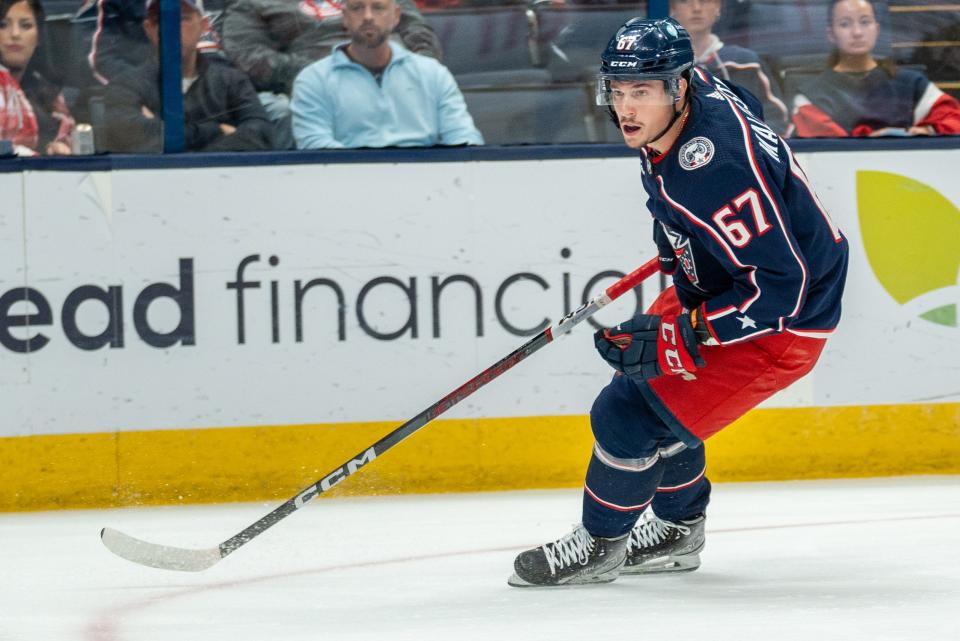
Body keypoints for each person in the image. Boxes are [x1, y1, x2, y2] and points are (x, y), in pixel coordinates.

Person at [508, 17, 848, 587]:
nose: (626, 109)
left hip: (783, 322)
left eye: (641, 92)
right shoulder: (703, 96)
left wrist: (685, 332)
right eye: (617, 92)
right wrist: (680, 246)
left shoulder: (715, 168)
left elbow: (781, 288)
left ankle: (600, 546)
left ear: (678, 86)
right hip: (722, 285)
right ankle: (676, 530)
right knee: (644, 393)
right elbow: (745, 126)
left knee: (625, 415)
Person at [290, 0, 481, 149]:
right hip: (348, 190)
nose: (368, 17)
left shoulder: (433, 75)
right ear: (345, 18)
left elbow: (465, 140)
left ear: (396, 16)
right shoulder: (313, 80)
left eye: (378, 7)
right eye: (357, 8)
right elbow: (317, 152)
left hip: (427, 188)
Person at [102, 0, 274, 152]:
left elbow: (262, 135)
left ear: (204, 25)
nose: (170, 27)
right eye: (158, 20)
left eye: (183, 18)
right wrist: (217, 131)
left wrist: (188, 154)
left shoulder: (231, 81)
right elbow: (130, 139)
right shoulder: (126, 86)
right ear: (148, 29)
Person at [791, 0, 960, 137]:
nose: (857, 32)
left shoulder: (913, 85)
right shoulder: (811, 94)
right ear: (831, 34)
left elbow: (954, 120)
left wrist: (927, 131)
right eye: (845, 24)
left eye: (865, 22)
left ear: (877, 29)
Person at [670, 0, 789, 135]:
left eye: (705, 1)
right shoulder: (662, 66)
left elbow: (777, 120)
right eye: (685, 1)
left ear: (718, 7)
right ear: (672, 8)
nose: (696, 8)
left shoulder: (746, 62)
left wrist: (743, 143)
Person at [0, 0, 73, 155]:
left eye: (26, 25)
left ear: (39, 36)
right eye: (3, 25)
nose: (15, 34)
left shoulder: (48, 92)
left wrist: (57, 149)